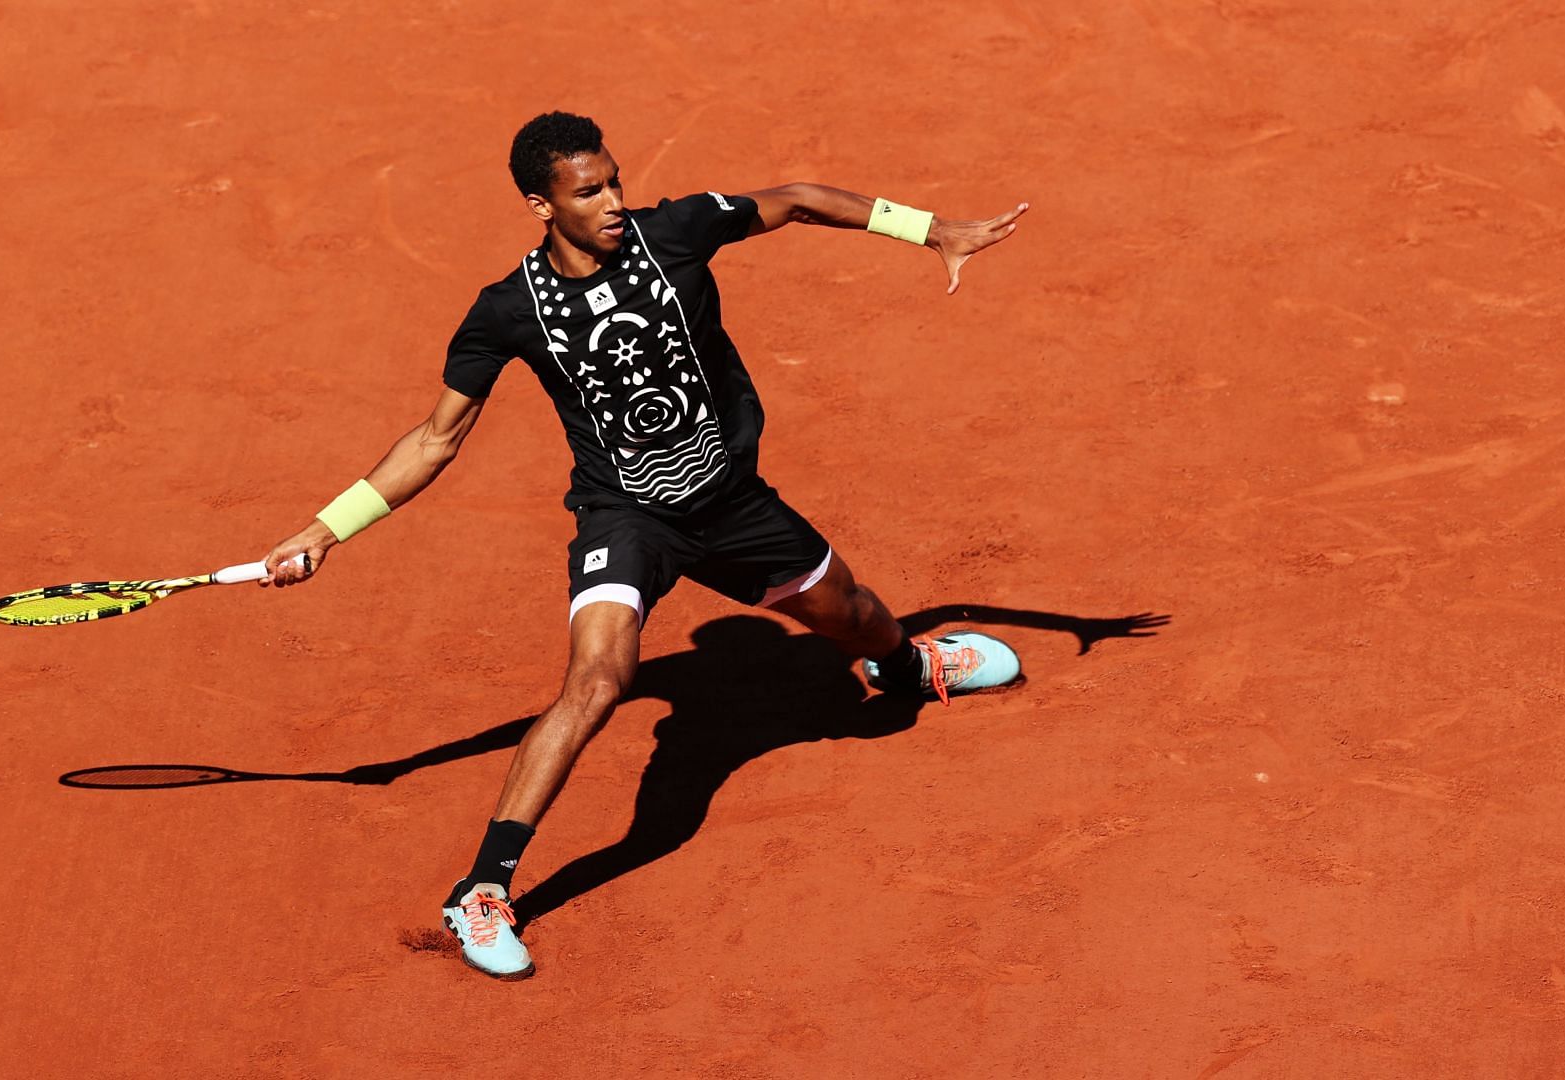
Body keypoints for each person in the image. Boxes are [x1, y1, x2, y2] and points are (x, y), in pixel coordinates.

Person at [258, 111, 1030, 980]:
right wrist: (327, 530)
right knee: (597, 681)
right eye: (590, 192)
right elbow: (436, 439)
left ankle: (905, 665)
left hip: (732, 500)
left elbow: (801, 200)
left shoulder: (674, 233)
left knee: (850, 614)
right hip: (627, 520)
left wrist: (933, 231)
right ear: (539, 204)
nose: (614, 201)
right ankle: (481, 891)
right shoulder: (507, 311)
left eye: (615, 180)